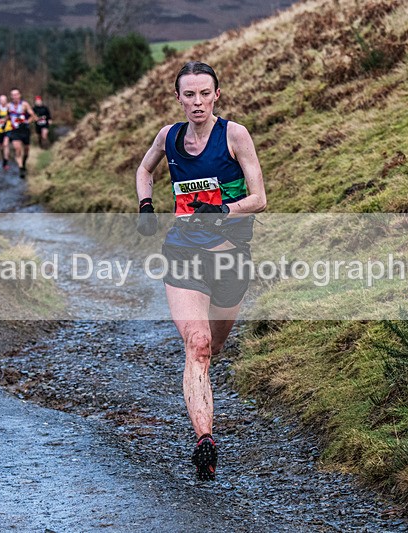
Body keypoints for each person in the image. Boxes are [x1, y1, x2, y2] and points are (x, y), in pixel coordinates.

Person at [134, 61, 267, 481]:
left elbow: (260, 198)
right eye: (188, 95)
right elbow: (144, 169)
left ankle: (202, 388)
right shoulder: (168, 137)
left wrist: (224, 209)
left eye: (204, 93)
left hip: (230, 257)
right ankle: (204, 440)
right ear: (178, 98)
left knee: (216, 345)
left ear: (216, 95)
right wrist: (145, 207)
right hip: (183, 253)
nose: (196, 102)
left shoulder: (235, 135)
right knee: (199, 344)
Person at [7, 88, 35, 179]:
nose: (15, 97)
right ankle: (21, 168)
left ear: (20, 95)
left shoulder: (24, 104)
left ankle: (23, 162)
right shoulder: (8, 106)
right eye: (13, 95)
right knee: (17, 148)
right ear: (11, 97)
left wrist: (27, 121)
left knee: (26, 150)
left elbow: (32, 115)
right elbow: (6, 116)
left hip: (24, 130)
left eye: (16, 94)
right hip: (15, 130)